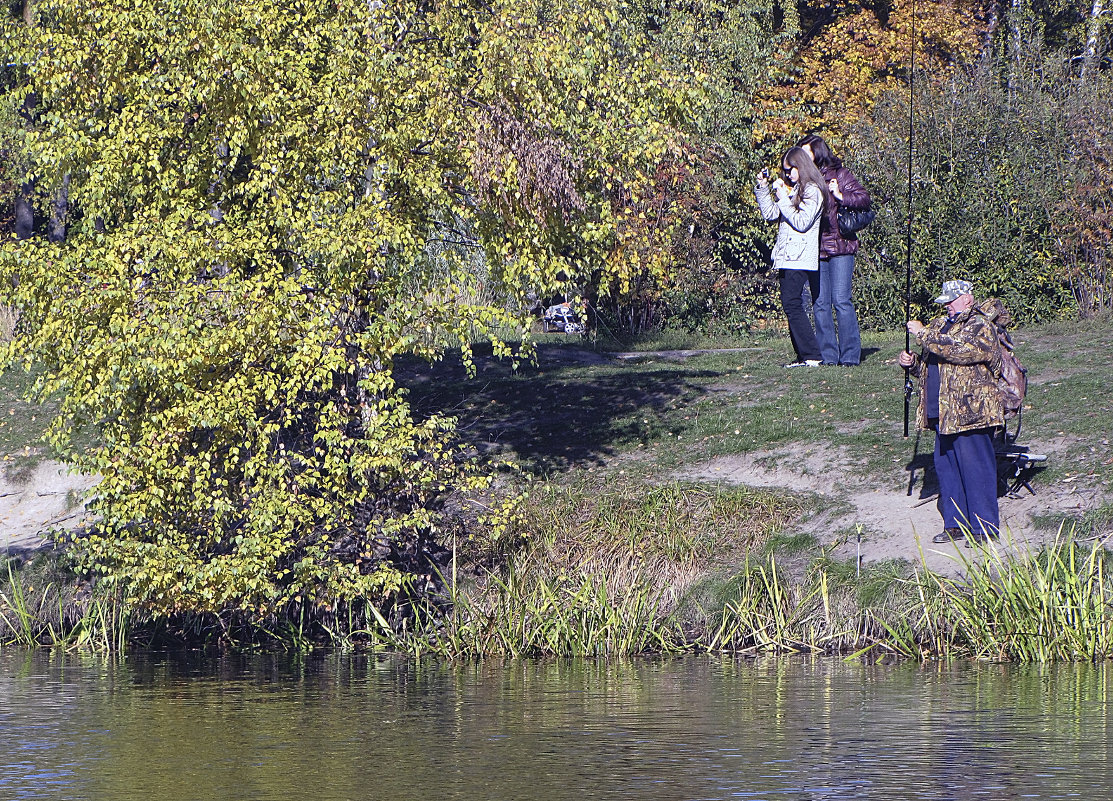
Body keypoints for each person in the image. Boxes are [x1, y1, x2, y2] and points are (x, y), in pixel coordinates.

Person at [899, 280, 1004, 545]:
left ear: (967, 299)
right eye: (944, 301)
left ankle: (984, 528)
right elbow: (932, 364)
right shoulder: (940, 326)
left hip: (971, 411)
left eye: (951, 300)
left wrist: (922, 334)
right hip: (942, 411)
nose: (946, 305)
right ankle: (955, 524)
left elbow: (959, 351)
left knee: (976, 468)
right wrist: (912, 365)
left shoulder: (980, 326)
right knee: (948, 469)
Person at [797, 134, 871, 366]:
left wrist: (840, 195)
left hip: (840, 246)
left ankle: (849, 356)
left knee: (841, 300)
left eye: (806, 153)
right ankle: (828, 356)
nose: (802, 157)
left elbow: (864, 199)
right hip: (815, 248)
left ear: (818, 152)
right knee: (820, 303)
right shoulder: (803, 179)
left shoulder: (840, 174)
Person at [756, 147, 830, 368]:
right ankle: (804, 355)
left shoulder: (813, 191)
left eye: (791, 169)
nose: (787, 174)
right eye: (785, 170)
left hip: (799, 257)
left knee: (792, 304)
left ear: (802, 166)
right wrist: (763, 188)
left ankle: (812, 355)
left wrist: (783, 199)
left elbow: (801, 222)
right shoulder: (797, 189)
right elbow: (770, 214)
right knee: (790, 304)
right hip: (786, 256)